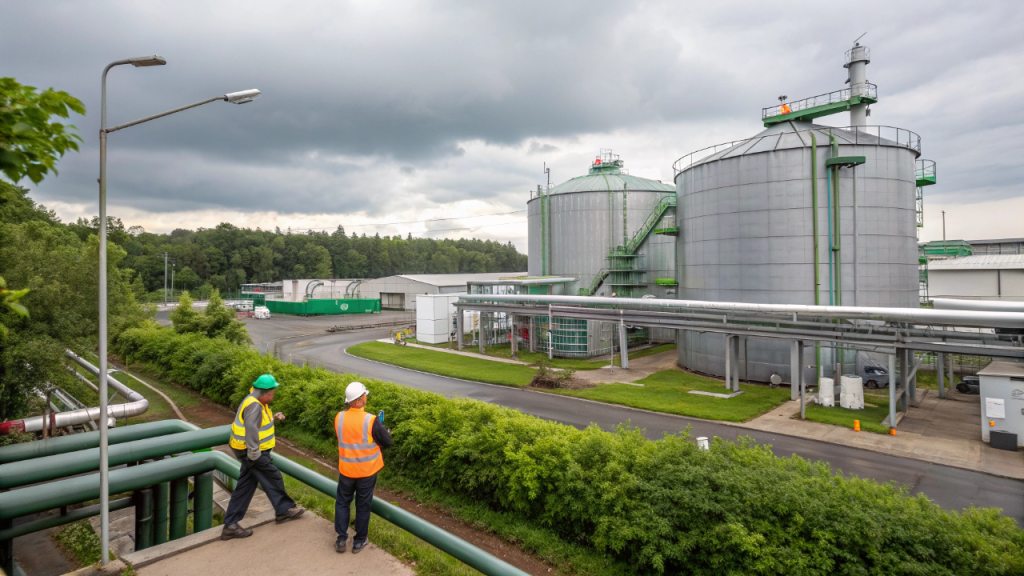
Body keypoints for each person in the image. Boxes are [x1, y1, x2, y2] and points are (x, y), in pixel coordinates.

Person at [221, 374, 305, 539]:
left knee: (246, 486)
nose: (273, 396)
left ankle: (230, 525)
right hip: (251, 452)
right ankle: (283, 510)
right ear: (266, 393)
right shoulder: (254, 406)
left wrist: (273, 418)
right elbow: (251, 430)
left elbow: (257, 423)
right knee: (273, 476)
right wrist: (254, 454)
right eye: (272, 393)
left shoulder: (256, 401)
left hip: (247, 450)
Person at [334, 381, 392, 554]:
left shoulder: (339, 417)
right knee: (363, 505)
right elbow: (387, 441)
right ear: (359, 400)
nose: (366, 397)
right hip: (366, 472)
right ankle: (359, 541)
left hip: (346, 470)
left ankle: (341, 539)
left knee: (342, 503)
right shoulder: (371, 420)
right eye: (364, 395)